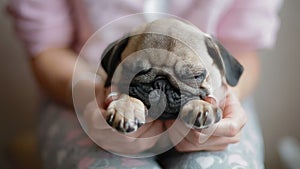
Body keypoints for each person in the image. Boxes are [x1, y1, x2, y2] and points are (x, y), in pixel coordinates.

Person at [8, 0, 282, 168]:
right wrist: (93, 98)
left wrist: (225, 100)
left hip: (216, 102)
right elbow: (47, 47)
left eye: (189, 75)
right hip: (79, 89)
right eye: (142, 74)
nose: (161, 90)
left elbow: (242, 50)